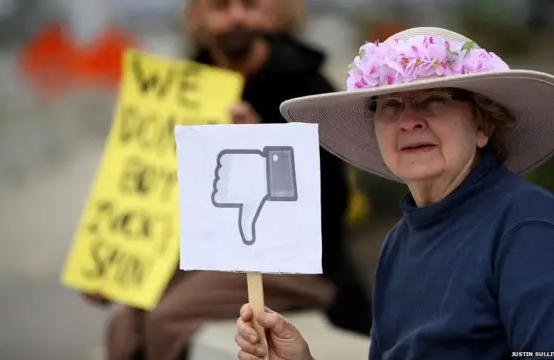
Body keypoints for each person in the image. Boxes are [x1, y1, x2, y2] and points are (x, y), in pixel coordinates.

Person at [234, 27, 554, 359]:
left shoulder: (531, 230)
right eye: (391, 105)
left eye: (435, 100)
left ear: (483, 125)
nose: (409, 120)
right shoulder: (398, 242)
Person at [84, 1, 372, 360]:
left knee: (165, 319)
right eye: (221, 6)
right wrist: (112, 267)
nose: (236, 16)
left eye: (248, 4)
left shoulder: (304, 85)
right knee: (124, 323)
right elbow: (154, 188)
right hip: (213, 253)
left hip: (291, 264)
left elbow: (332, 200)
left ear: (269, 12)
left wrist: (261, 143)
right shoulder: (184, 86)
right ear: (196, 17)